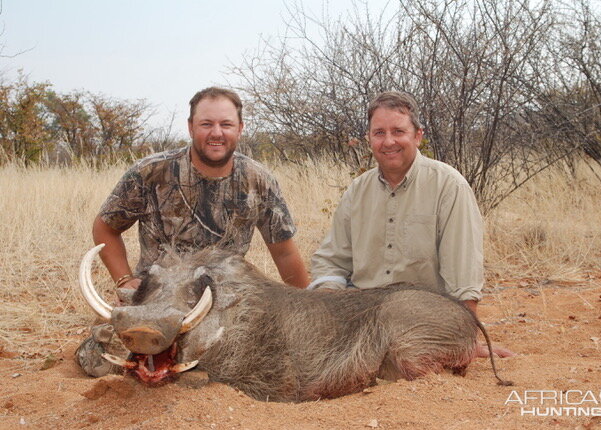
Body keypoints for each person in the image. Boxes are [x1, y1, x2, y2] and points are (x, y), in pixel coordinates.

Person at [77, 87, 309, 376]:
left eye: (226, 124)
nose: (216, 133)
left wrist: (305, 310)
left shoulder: (259, 179)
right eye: (206, 124)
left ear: (240, 128)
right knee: (99, 361)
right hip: (155, 297)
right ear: (190, 127)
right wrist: (126, 281)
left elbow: (284, 252)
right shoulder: (150, 172)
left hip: (225, 301)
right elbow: (105, 228)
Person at [309, 91, 513, 358]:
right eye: (379, 133)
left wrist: (465, 340)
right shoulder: (357, 190)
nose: (388, 141)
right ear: (369, 138)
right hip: (361, 318)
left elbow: (463, 273)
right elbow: (332, 261)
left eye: (398, 131)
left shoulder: (449, 186)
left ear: (417, 135)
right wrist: (328, 307)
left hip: (423, 320)